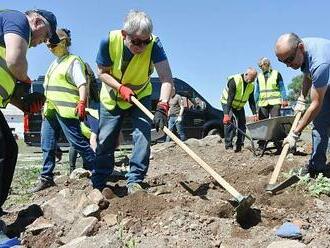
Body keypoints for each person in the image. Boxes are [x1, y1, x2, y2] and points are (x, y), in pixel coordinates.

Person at [92, 10, 173, 194]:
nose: (142, 47)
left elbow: (166, 78)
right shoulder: (109, 41)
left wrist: (163, 106)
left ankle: (134, 180)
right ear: (124, 34)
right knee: (106, 139)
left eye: (145, 41)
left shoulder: (155, 44)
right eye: (136, 41)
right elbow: (102, 73)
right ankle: (98, 182)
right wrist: (120, 88)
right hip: (112, 97)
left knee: (143, 136)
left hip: (141, 94)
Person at [0, 9, 60, 215]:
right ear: (36, 21)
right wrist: (26, 80)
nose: (43, 42)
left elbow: (6, 81)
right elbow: (15, 61)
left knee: (9, 150)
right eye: (45, 35)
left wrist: (23, 104)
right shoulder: (17, 19)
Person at [31, 28, 96, 192]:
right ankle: (46, 177)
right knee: (47, 144)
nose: (50, 48)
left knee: (78, 142)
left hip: (67, 110)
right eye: (48, 45)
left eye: (53, 44)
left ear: (64, 42)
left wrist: (82, 102)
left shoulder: (72, 61)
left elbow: (81, 83)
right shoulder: (54, 64)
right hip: (50, 110)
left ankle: (98, 170)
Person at [275, 33, 330, 177]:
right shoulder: (301, 51)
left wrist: (295, 133)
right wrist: (301, 97)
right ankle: (317, 167)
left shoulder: (320, 62)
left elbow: (316, 104)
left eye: (289, 60)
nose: (287, 65)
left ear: (300, 48)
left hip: (326, 77)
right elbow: (307, 74)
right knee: (319, 125)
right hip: (325, 83)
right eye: (283, 62)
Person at [220, 68, 258, 152]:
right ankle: (228, 146)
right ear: (246, 74)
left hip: (239, 106)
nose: (253, 80)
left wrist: (255, 113)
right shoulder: (234, 81)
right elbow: (230, 98)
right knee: (229, 122)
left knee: (242, 123)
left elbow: (251, 101)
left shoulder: (251, 85)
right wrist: (226, 114)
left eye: (254, 79)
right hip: (228, 103)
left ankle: (239, 145)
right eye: (252, 78)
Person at [254, 57, 288, 150]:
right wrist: (255, 104)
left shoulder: (276, 74)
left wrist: (284, 99)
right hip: (262, 103)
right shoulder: (259, 77)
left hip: (275, 102)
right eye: (259, 66)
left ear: (267, 64)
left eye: (261, 65)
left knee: (275, 123)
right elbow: (257, 91)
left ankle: (278, 144)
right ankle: (261, 144)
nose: (260, 67)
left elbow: (282, 87)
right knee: (262, 124)